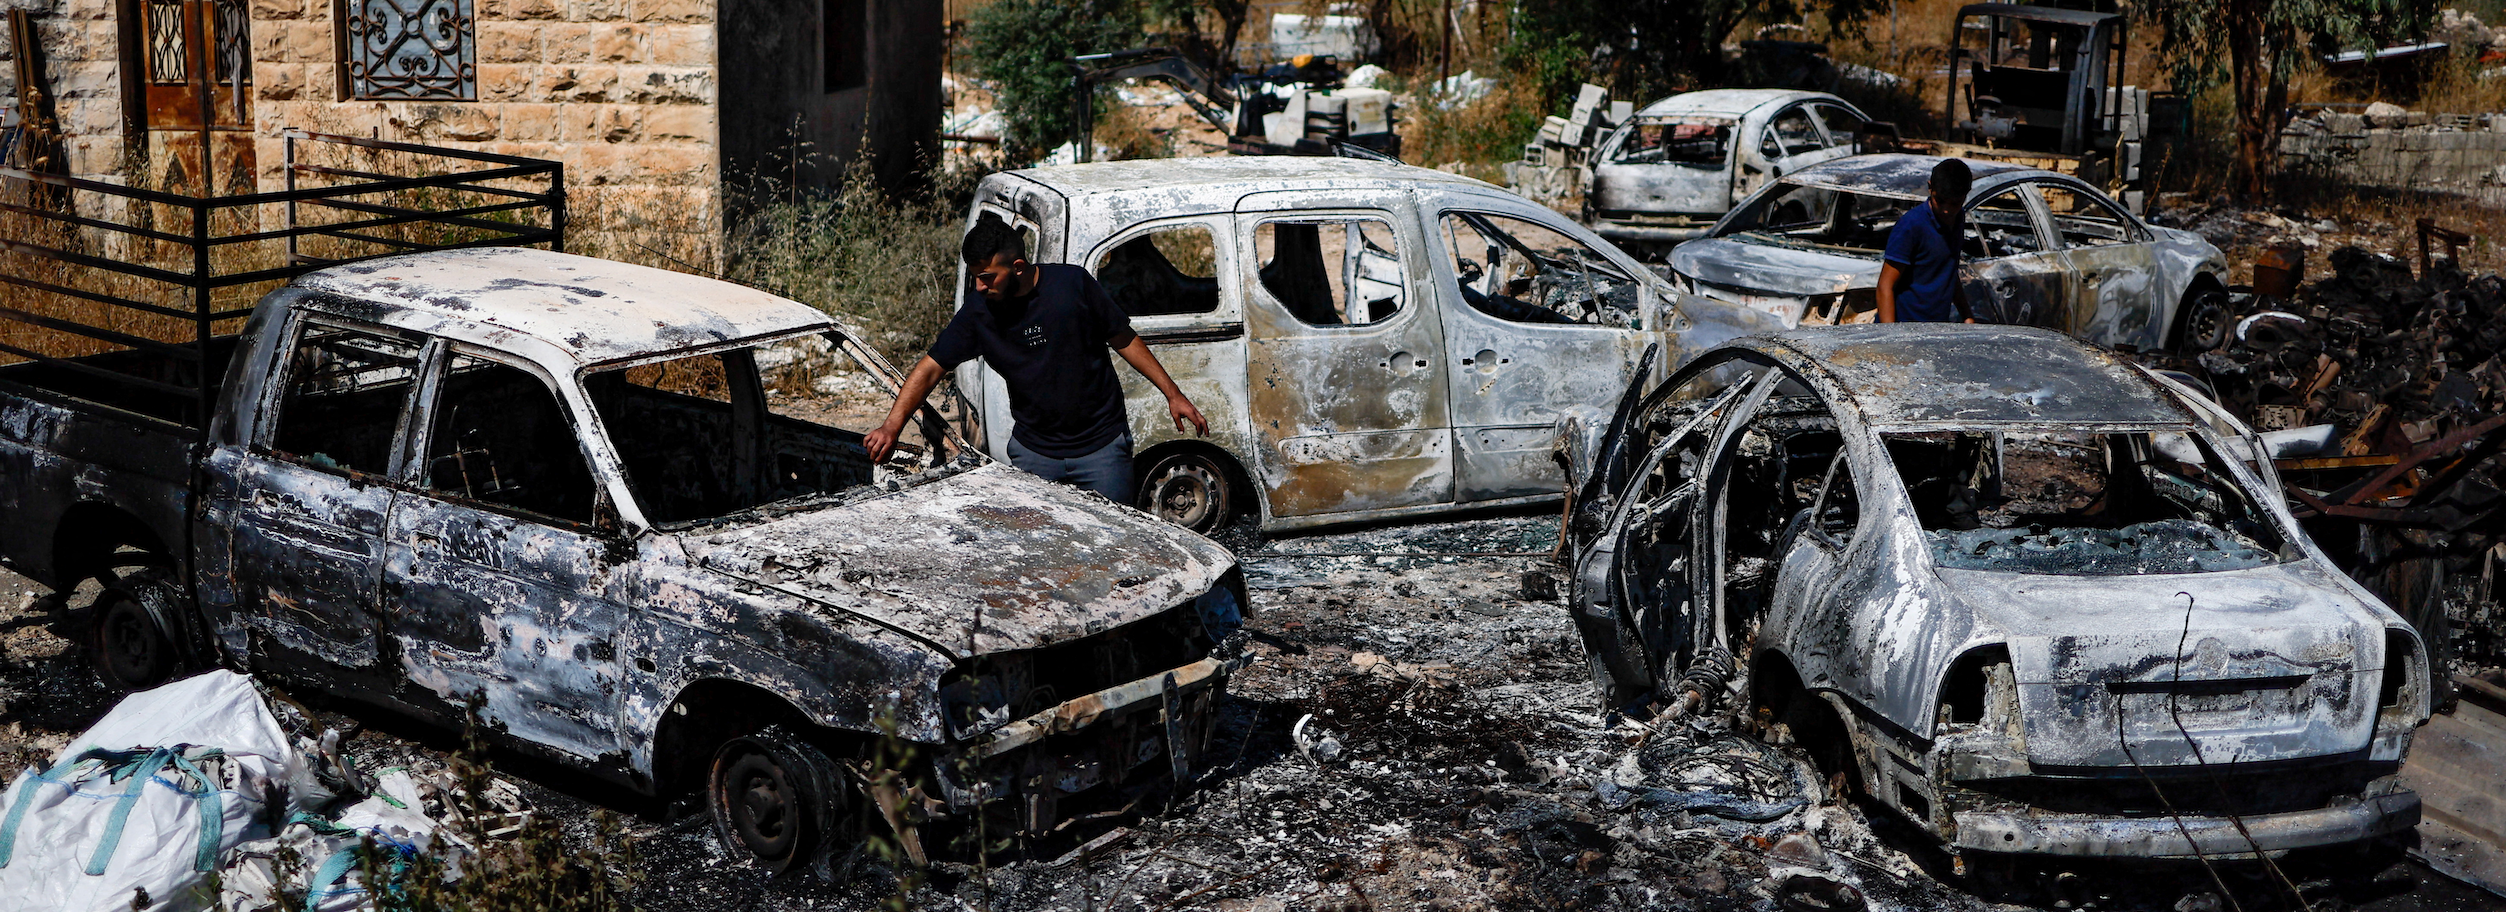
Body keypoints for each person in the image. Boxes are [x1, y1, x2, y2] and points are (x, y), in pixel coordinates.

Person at [864, 214, 1208, 505]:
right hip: (1034, 455)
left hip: (1102, 451)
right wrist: (892, 426)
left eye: (987, 277)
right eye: (975, 278)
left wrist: (1172, 394)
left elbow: (1123, 338)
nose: (980, 287)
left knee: (1112, 552)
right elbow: (930, 368)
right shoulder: (979, 313)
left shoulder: (1072, 285)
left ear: (1017, 267)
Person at [1876, 158, 1976, 324]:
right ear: (1930, 188)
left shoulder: (1958, 218)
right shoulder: (1911, 226)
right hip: (1904, 327)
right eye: (1940, 201)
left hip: (1935, 329)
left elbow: (1948, 272)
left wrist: (1967, 315)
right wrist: (1891, 339)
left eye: (1955, 203)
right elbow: (1885, 286)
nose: (1946, 209)